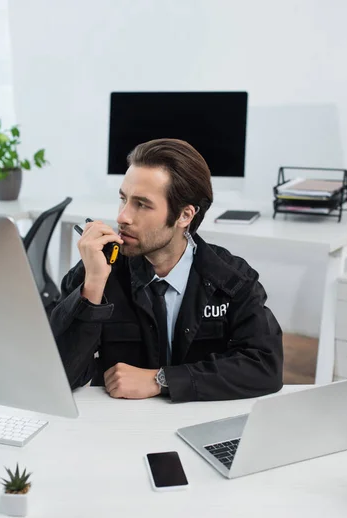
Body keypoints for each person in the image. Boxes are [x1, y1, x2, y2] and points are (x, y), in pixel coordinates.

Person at [50, 138, 283, 402]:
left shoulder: (231, 278)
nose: (123, 217)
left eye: (142, 204)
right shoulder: (95, 272)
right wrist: (92, 286)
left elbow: (265, 366)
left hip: (200, 424)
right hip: (120, 428)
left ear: (185, 216)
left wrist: (161, 380)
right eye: (123, 199)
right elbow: (58, 377)